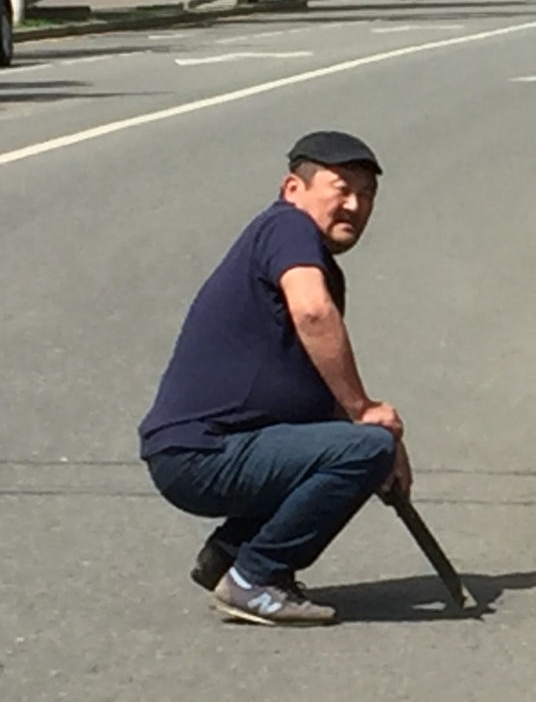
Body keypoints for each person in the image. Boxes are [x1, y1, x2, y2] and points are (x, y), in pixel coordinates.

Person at [138, 132, 410, 626]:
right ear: (293, 188)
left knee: (367, 447)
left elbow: (318, 389)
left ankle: (229, 553)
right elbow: (312, 314)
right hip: (203, 453)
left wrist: (380, 441)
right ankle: (255, 577)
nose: (354, 204)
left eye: (367, 195)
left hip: (208, 450)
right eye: (341, 188)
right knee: (365, 447)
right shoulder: (287, 227)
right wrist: (365, 416)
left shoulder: (307, 253)